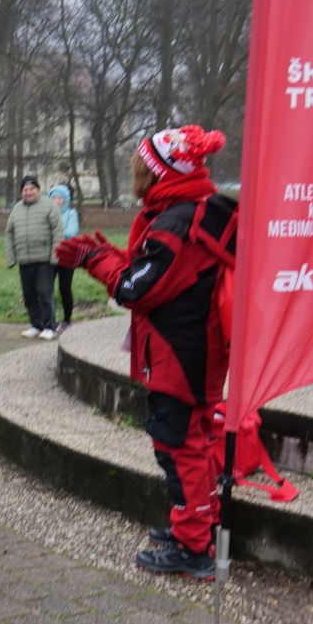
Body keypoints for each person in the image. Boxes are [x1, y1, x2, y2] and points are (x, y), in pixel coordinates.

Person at [55, 125, 235, 582]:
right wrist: (110, 254)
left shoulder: (176, 223)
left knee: (178, 448)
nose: (134, 173)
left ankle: (194, 548)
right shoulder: (196, 208)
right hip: (196, 350)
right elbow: (160, 273)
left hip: (181, 354)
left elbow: (136, 288)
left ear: (156, 172)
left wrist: (96, 260)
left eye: (139, 166)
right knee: (192, 443)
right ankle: (198, 527)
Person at [4, 175, 63, 340]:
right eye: (25, 189)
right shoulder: (17, 209)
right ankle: (36, 325)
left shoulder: (50, 206)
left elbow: (58, 232)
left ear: (38, 190)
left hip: (44, 259)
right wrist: (11, 257)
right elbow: (9, 233)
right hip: (24, 259)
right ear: (21, 192)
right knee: (29, 295)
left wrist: (55, 256)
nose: (28, 192)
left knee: (44, 294)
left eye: (32, 189)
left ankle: (50, 326)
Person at [47, 183, 80, 332]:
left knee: (64, 288)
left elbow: (71, 232)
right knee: (47, 289)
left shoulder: (71, 213)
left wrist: (52, 232)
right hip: (49, 256)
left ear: (65, 200)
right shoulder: (46, 213)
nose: (56, 201)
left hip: (67, 256)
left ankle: (67, 319)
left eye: (60, 198)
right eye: (53, 198)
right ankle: (50, 319)